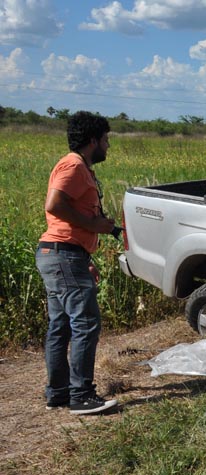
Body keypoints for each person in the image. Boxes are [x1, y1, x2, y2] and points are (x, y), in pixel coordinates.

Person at [35, 111, 120, 415]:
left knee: (61, 326)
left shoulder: (79, 166)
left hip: (64, 255)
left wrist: (85, 258)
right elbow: (54, 204)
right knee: (85, 323)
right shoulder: (73, 165)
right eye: (106, 140)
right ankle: (81, 395)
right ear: (93, 140)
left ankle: (58, 393)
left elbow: (71, 221)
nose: (108, 146)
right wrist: (94, 225)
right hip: (62, 255)